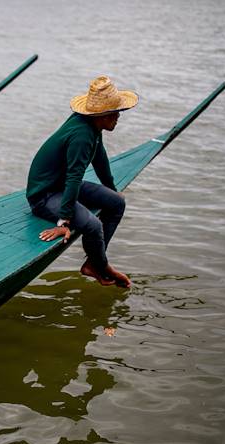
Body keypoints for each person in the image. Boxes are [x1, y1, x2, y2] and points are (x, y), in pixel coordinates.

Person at [26, 76, 138, 288]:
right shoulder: (82, 134)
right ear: (101, 115)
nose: (118, 117)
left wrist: (111, 190)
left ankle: (93, 264)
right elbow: (74, 177)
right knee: (93, 226)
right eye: (114, 113)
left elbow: (100, 158)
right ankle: (101, 266)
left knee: (117, 203)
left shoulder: (92, 127)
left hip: (60, 186)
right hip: (44, 194)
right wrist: (63, 222)